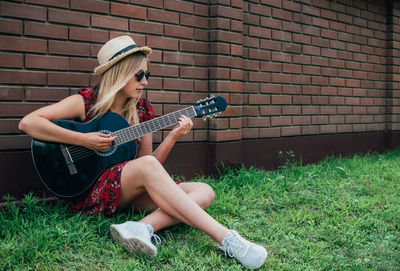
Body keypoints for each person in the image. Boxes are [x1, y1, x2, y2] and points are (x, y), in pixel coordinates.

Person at [18, 35, 267, 269]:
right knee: (153, 172)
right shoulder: (86, 103)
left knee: (204, 191)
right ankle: (226, 239)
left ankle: (139, 228)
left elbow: (149, 164)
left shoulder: (143, 112)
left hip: (124, 190)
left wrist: (172, 137)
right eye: (138, 75)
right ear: (118, 74)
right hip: (88, 187)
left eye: (147, 74)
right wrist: (84, 140)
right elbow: (28, 123)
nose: (145, 81)